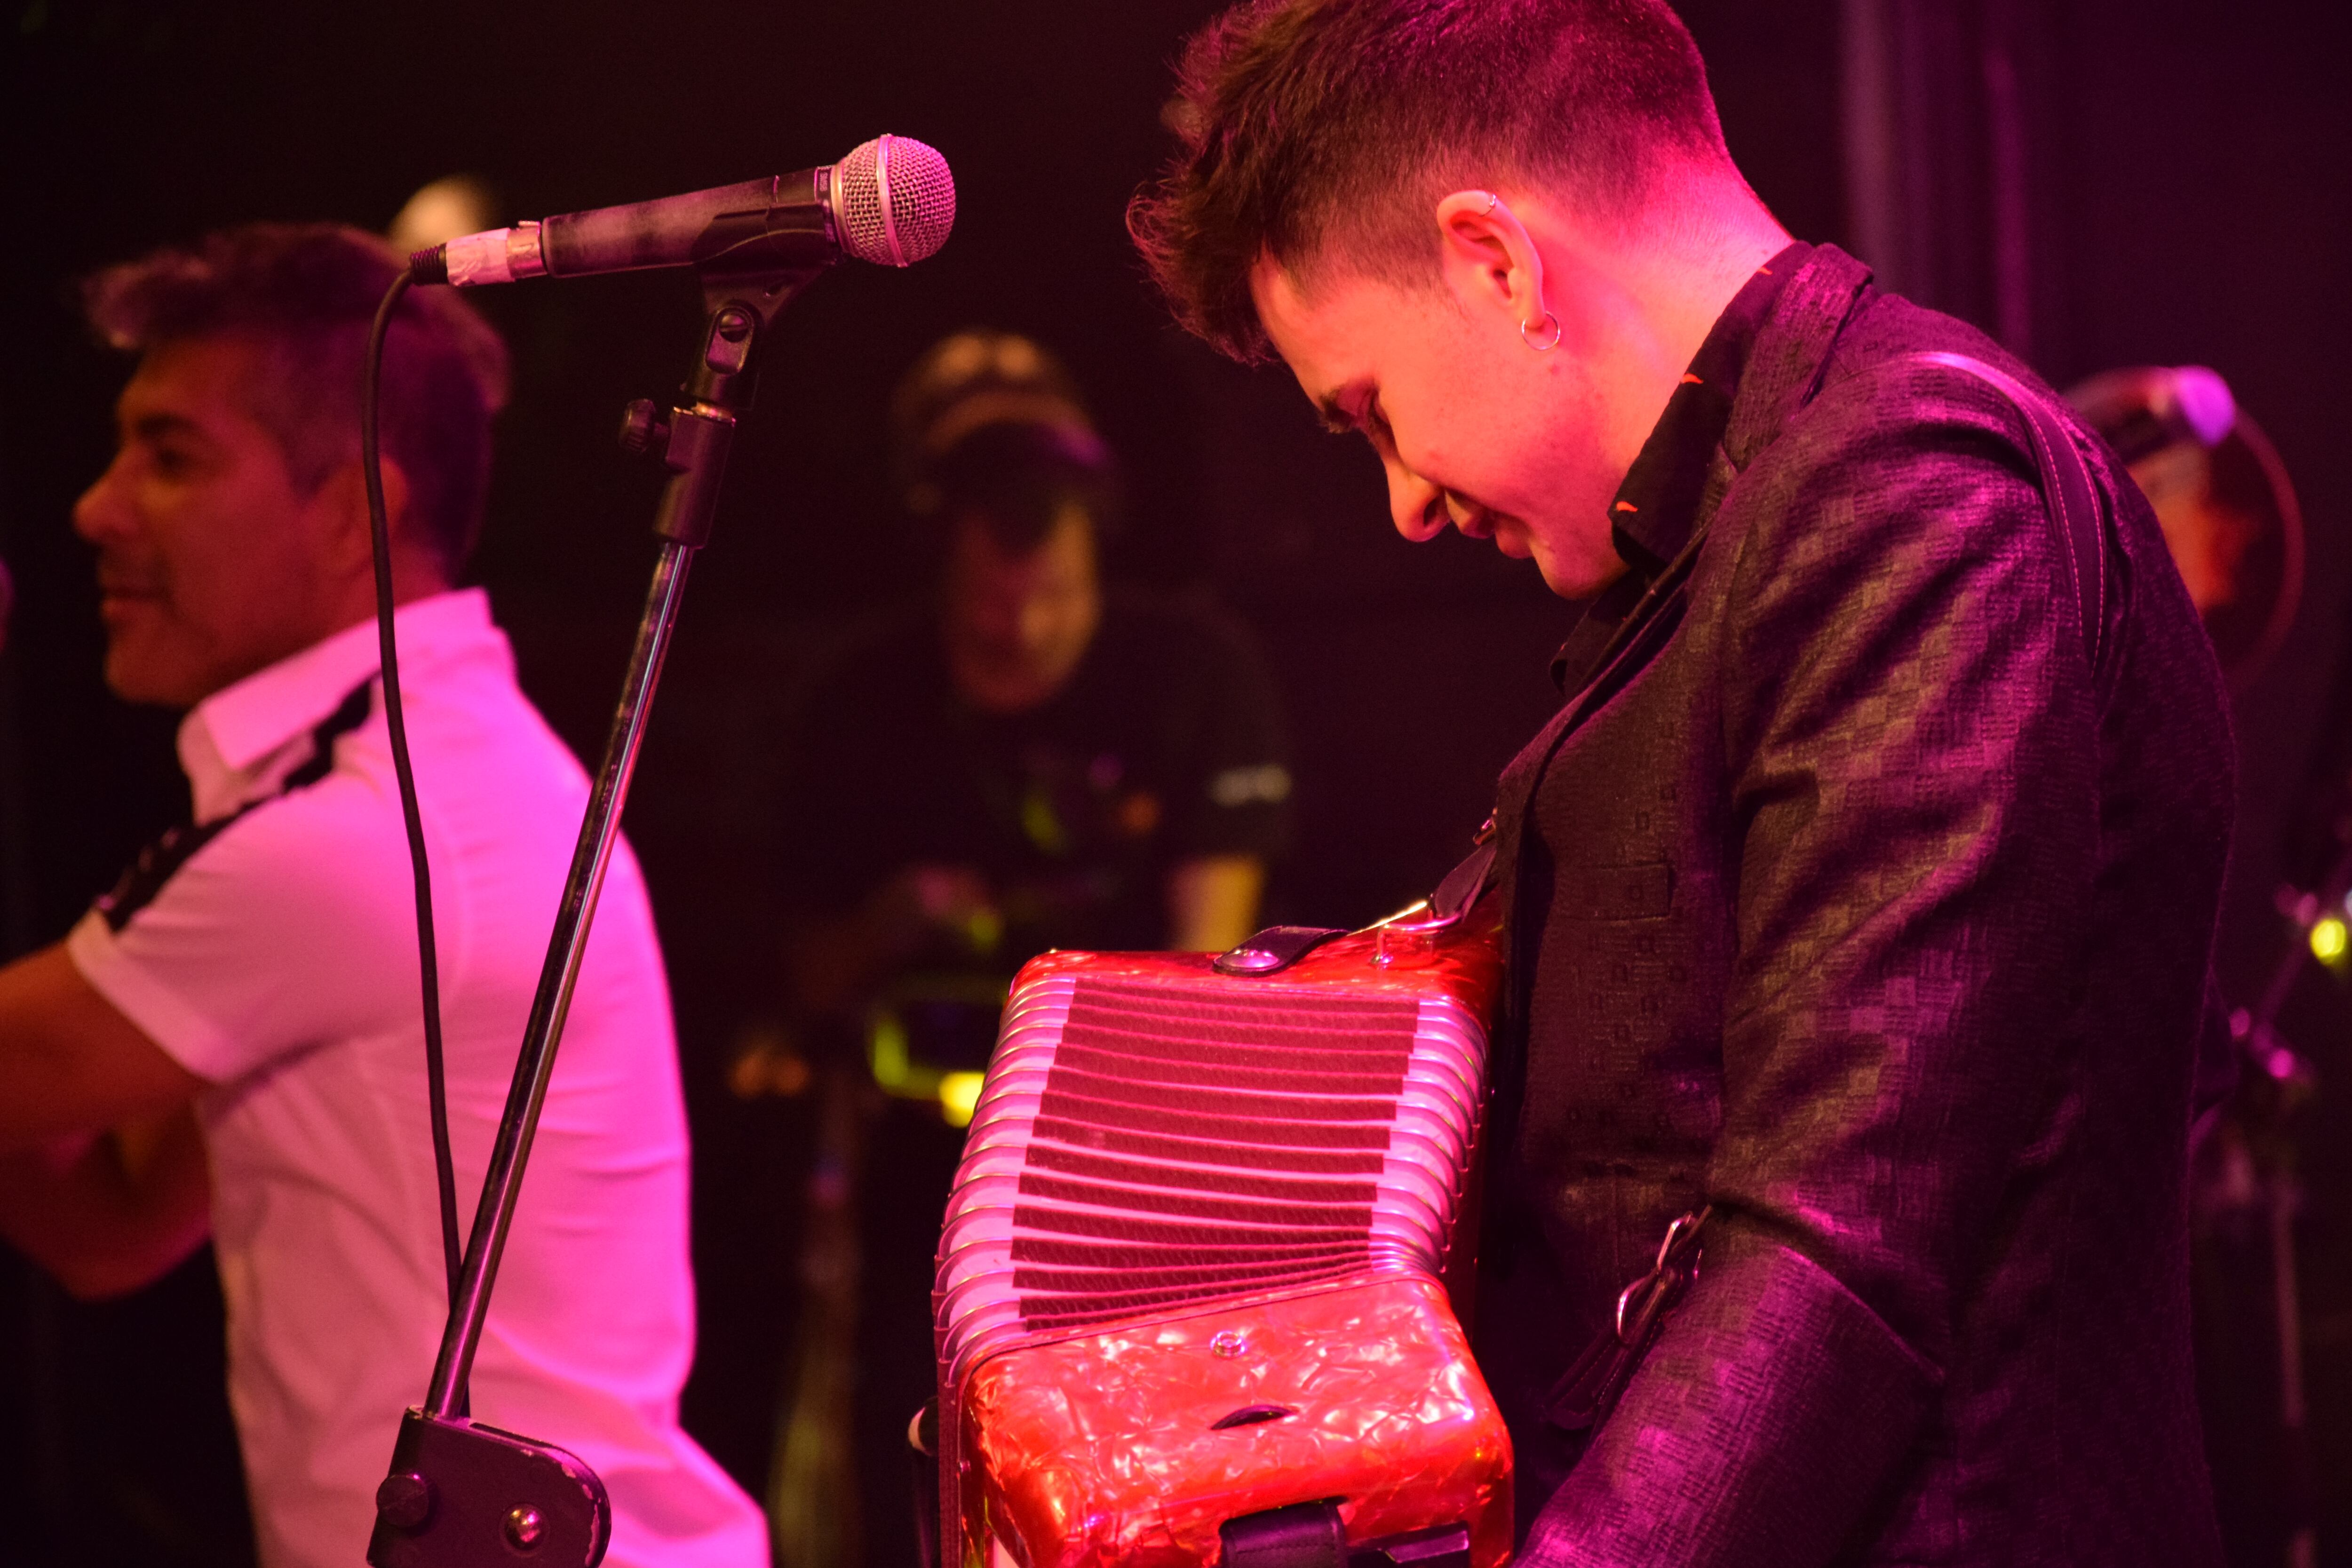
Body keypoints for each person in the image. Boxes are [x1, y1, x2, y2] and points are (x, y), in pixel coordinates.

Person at [1128, 2, 2235, 1564]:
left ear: (1493, 259)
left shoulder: (1910, 504)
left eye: (1371, 413)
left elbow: (1832, 1261)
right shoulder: (1734, 541)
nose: (1400, 507)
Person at [0, 223, 766, 1568]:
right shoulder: (418, 785)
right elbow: (110, 1228)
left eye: (169, 456)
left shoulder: (356, 838)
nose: (96, 507)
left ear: (358, 510)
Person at [751, 329, 1293, 1561]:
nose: (1022, 630)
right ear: (935, 556)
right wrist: (898, 919)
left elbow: (1208, 967)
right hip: (911, 1191)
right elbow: (806, 973)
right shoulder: (858, 701)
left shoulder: (1197, 674)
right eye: (989, 607)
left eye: (1053, 597)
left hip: (1130, 1176)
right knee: (916, 1494)